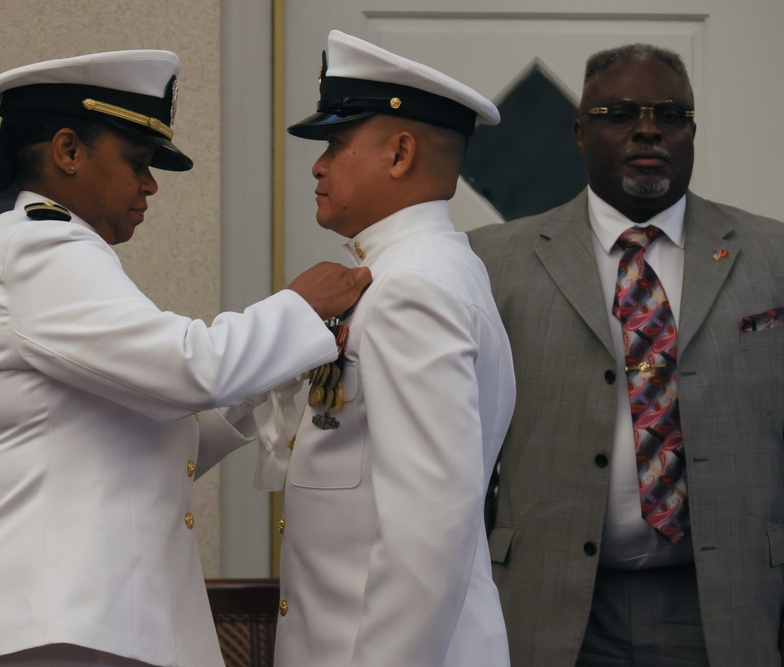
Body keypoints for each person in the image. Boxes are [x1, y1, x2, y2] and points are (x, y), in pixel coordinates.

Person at [0, 50, 371, 667]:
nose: (149, 186)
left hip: (55, 627)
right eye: (138, 163)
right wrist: (297, 308)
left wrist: (266, 383)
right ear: (68, 151)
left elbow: (148, 436)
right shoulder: (42, 246)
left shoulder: (39, 248)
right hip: (37, 630)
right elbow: (187, 367)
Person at [468, 43, 784, 666]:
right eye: (619, 113)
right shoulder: (488, 261)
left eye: (669, 115)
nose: (647, 128)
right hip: (546, 602)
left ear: (691, 132)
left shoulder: (773, 255)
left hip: (728, 602)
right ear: (581, 133)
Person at [255, 30, 516, 667]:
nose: (317, 165)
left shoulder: (412, 290)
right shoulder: (425, 270)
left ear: (400, 153)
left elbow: (427, 533)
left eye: (336, 145)